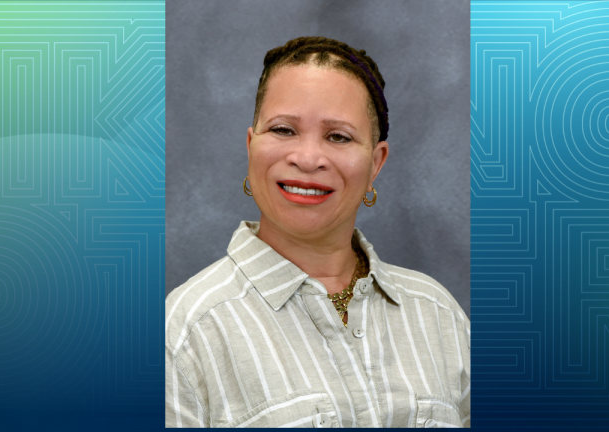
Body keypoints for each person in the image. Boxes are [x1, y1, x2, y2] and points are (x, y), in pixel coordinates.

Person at [165, 36, 470, 428]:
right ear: (251, 146)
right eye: (283, 130)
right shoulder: (184, 332)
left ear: (376, 163)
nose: (307, 159)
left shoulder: (439, 314)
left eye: (338, 136)